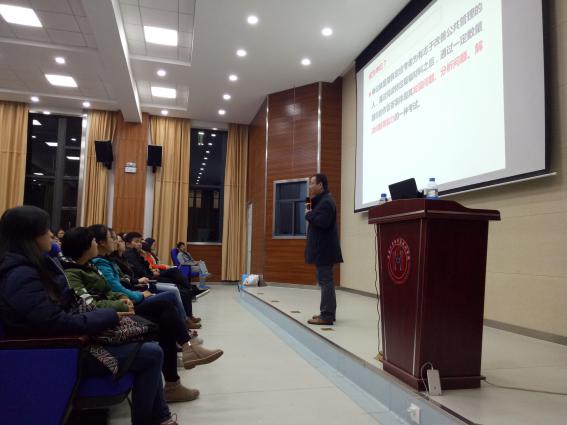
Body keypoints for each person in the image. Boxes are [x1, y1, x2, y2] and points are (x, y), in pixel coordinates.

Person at [0, 206, 179, 425]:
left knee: (150, 340)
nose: (51, 236)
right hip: (55, 352)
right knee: (151, 353)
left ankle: (160, 417)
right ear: (30, 236)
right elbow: (54, 322)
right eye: (46, 230)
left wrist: (106, 313)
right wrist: (108, 316)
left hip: (65, 342)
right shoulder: (21, 275)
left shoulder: (33, 266)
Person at [60, 227, 224, 403]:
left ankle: (179, 369)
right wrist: (123, 301)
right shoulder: (75, 272)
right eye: (110, 238)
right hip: (109, 320)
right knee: (166, 306)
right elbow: (89, 304)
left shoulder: (90, 266)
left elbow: (110, 290)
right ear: (86, 246)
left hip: (120, 307)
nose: (116, 241)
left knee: (166, 315)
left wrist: (121, 297)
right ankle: (183, 357)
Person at [123, 232, 201, 329]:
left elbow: (145, 269)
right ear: (128, 244)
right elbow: (141, 272)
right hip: (147, 283)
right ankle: (184, 318)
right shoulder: (130, 254)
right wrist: (151, 272)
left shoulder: (137, 254)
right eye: (136, 241)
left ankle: (186, 314)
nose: (139, 244)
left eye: (140, 241)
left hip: (149, 279)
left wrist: (145, 262)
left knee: (178, 282)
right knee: (176, 287)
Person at [304, 173, 343, 325]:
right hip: (322, 249)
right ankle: (328, 313)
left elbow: (322, 222)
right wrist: (310, 204)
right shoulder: (321, 201)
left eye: (312, 183)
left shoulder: (327, 202)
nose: (310, 186)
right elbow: (312, 213)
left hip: (325, 249)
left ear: (320, 185)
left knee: (326, 281)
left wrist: (309, 215)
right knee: (325, 281)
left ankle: (326, 316)